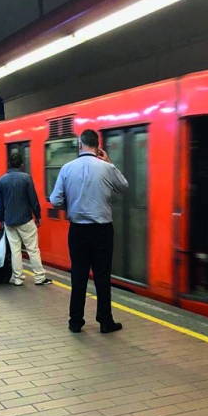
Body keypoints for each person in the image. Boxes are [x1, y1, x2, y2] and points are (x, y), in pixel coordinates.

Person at [49, 129, 128, 334]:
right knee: (102, 276)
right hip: (102, 231)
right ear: (98, 146)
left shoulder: (67, 168)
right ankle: (105, 320)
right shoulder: (106, 168)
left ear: (80, 144)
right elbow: (124, 187)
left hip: (77, 231)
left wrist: (73, 203)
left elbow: (56, 200)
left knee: (79, 275)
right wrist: (109, 162)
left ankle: (76, 321)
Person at [0, 153, 52, 286]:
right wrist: (37, 216)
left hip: (9, 221)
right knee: (32, 249)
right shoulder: (26, 178)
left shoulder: (1, 181)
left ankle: (18, 279)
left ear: (9, 164)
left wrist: (1, 219)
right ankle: (39, 277)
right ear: (21, 166)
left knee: (15, 251)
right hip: (25, 220)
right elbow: (33, 200)